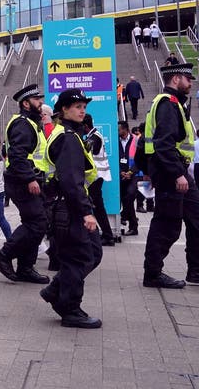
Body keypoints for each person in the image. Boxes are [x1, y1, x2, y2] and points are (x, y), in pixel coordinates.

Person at [142, 62, 199, 289]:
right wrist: (177, 174)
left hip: (176, 171)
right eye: (188, 79)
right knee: (167, 224)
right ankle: (152, 273)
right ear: (175, 79)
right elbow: (163, 143)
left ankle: (197, 269)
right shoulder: (168, 104)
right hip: (170, 173)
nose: (190, 83)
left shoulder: (176, 105)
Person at [40, 89, 103, 329]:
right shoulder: (67, 137)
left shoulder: (71, 134)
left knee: (91, 254)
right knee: (80, 258)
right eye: (77, 106)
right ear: (64, 109)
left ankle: (56, 290)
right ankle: (70, 309)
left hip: (68, 205)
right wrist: (86, 211)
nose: (82, 110)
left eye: (84, 106)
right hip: (70, 207)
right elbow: (70, 179)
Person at [0, 84, 51, 285]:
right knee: (37, 223)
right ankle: (4, 255)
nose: (40, 103)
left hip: (30, 179)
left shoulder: (32, 123)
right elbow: (17, 155)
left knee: (36, 223)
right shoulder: (23, 123)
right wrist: (30, 179)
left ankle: (25, 268)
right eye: (36, 100)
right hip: (22, 180)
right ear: (26, 103)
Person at [82, 114, 114, 246]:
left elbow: (89, 151)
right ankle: (106, 235)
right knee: (97, 206)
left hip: (96, 176)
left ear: (85, 126)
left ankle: (107, 235)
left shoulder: (94, 137)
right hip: (96, 176)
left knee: (97, 206)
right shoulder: (93, 136)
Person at [118, 121, 139, 236]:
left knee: (130, 196)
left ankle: (124, 216)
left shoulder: (136, 140)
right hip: (120, 175)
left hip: (133, 175)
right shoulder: (116, 140)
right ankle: (133, 227)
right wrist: (121, 172)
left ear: (125, 129)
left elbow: (139, 158)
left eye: (119, 129)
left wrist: (131, 172)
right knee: (123, 199)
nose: (117, 132)